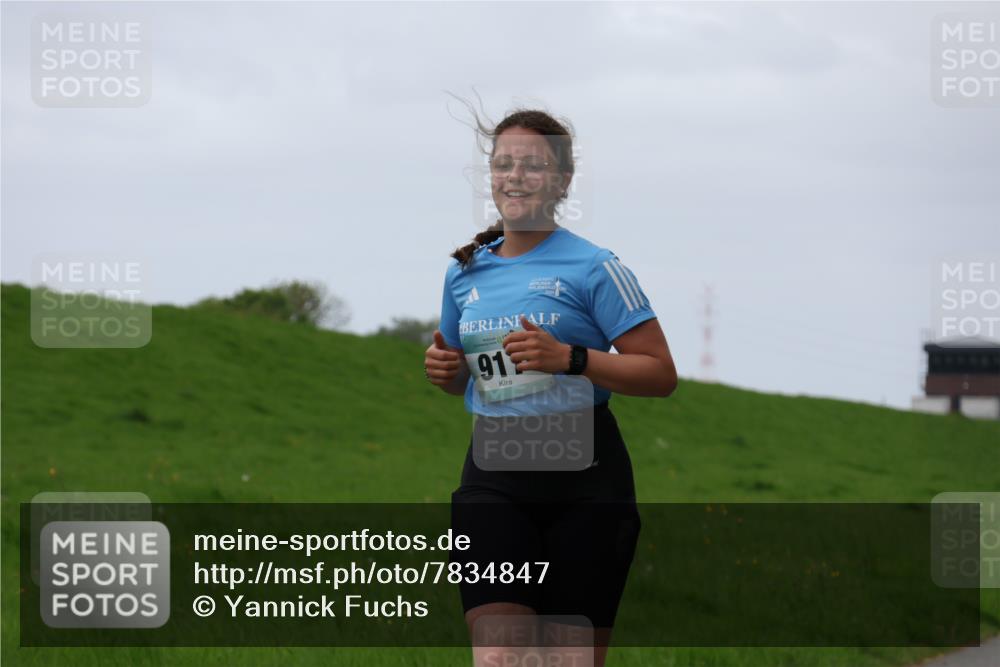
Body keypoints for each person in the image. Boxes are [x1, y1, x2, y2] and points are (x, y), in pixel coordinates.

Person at [424, 106, 677, 667]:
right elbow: (463, 372)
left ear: (562, 180)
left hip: (587, 481)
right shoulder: (464, 272)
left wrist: (573, 358)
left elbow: (660, 374)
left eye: (532, 165)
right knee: (499, 658)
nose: (514, 176)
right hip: (493, 475)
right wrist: (449, 373)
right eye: (503, 164)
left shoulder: (595, 268)